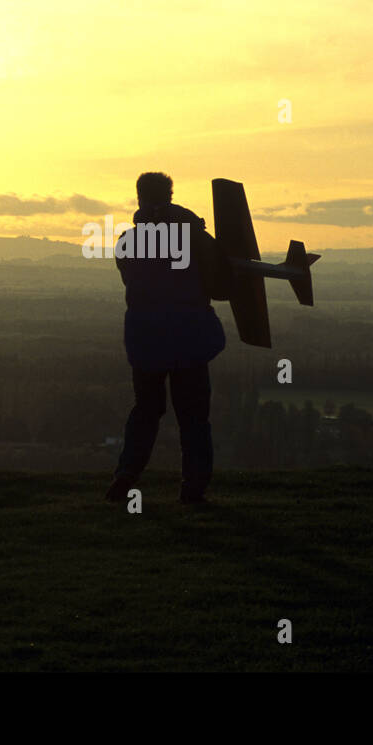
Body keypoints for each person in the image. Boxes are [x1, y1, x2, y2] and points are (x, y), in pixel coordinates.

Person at [107, 172, 229, 504]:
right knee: (193, 417)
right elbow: (220, 285)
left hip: (146, 340)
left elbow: (133, 280)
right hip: (190, 338)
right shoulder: (195, 237)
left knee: (146, 410)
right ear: (171, 196)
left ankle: (125, 477)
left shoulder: (126, 242)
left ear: (138, 199)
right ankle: (193, 489)